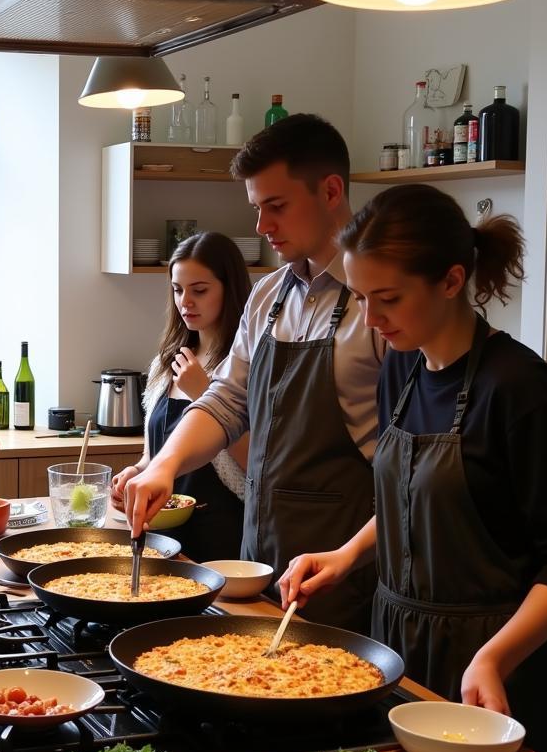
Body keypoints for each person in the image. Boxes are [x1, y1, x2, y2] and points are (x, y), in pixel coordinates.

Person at [280, 185, 547, 752]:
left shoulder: (519, 387)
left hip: (493, 660)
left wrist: (494, 656)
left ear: (452, 281)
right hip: (396, 640)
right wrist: (346, 554)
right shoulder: (401, 370)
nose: (372, 319)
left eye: (389, 299)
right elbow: (411, 501)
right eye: (361, 299)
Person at [123, 115, 384, 633]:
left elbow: (407, 459)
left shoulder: (375, 302)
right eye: (257, 208)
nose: (263, 226)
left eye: (277, 206)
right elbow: (226, 400)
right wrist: (164, 466)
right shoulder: (268, 297)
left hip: (340, 567)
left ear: (331, 191)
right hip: (255, 555)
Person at [111, 231, 252, 560]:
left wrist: (204, 393)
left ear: (229, 289)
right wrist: (136, 473)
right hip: (160, 534)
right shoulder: (165, 364)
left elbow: (257, 467)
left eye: (199, 291)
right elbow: (153, 457)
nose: (185, 302)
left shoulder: (245, 367)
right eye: (177, 290)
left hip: (221, 537)